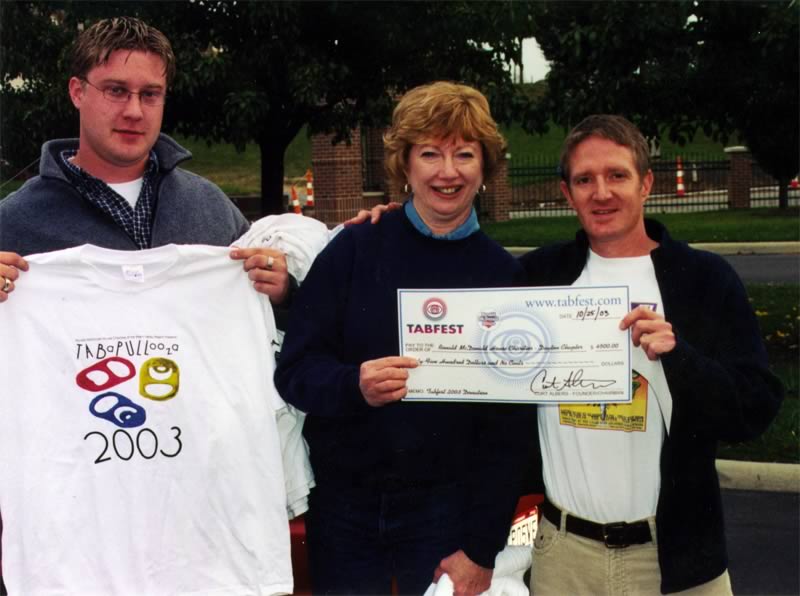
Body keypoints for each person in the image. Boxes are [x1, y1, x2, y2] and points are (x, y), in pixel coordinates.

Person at [274, 81, 535, 595]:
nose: (447, 171)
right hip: (345, 508)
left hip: (444, 511)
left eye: (464, 154)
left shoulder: (503, 276)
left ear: (484, 166)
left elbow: (510, 434)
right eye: (430, 153)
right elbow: (295, 371)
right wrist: (355, 385)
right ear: (405, 163)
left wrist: (481, 549)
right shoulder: (354, 248)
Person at [519, 115, 783, 595]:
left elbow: (755, 409)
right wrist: (393, 224)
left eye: (617, 175)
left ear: (646, 184)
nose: (601, 193)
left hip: (677, 559)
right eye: (584, 179)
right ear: (566, 193)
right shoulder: (537, 275)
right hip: (563, 558)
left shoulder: (704, 279)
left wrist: (680, 357)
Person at [0, 16, 289, 304]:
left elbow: (264, 319)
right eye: (116, 91)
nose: (134, 112)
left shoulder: (210, 208)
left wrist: (283, 292)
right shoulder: (14, 222)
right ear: (77, 92)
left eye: (150, 94)